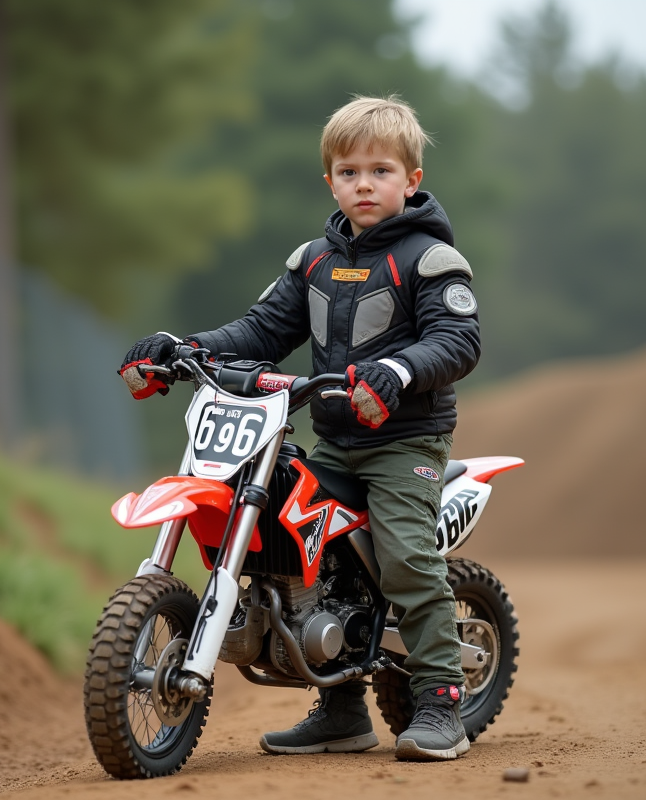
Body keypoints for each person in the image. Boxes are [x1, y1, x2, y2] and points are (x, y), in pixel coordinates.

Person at [118, 96, 480, 762]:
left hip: (406, 445)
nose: (363, 184)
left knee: (403, 555)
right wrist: (183, 347)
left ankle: (440, 702)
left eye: (379, 171)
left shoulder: (430, 261)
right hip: (339, 440)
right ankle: (341, 710)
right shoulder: (312, 260)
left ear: (412, 179)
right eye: (348, 172)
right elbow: (261, 332)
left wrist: (398, 371)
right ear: (329, 181)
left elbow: (457, 341)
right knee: (300, 547)